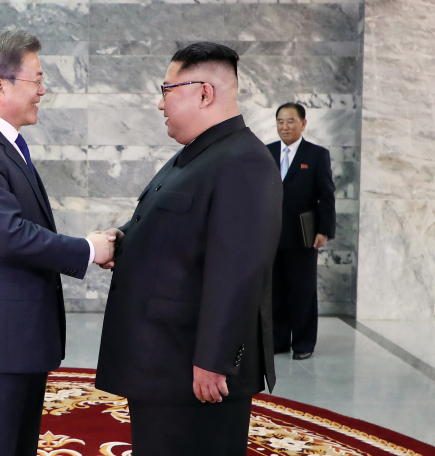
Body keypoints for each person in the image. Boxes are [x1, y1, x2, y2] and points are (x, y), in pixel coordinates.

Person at [95, 42, 283, 456]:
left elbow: (240, 269)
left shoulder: (242, 161)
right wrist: (120, 241)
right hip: (166, 359)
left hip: (197, 372)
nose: (160, 104)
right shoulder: (199, 154)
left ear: (204, 92)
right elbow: (175, 233)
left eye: (167, 89)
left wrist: (215, 359)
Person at [0, 30, 115, 456]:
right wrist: (88, 249)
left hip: (14, 338)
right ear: (1, 86)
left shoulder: (3, 144)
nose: (43, 90)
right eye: (36, 80)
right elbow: (10, 234)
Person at [267, 103, 336, 360]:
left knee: (303, 291)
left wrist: (325, 230)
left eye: (291, 121)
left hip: (304, 235)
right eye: (280, 122)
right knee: (275, 291)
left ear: (303, 123)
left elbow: (326, 196)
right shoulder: (267, 152)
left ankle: (304, 343)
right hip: (271, 235)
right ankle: (279, 340)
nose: (285, 127)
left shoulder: (317, 155)